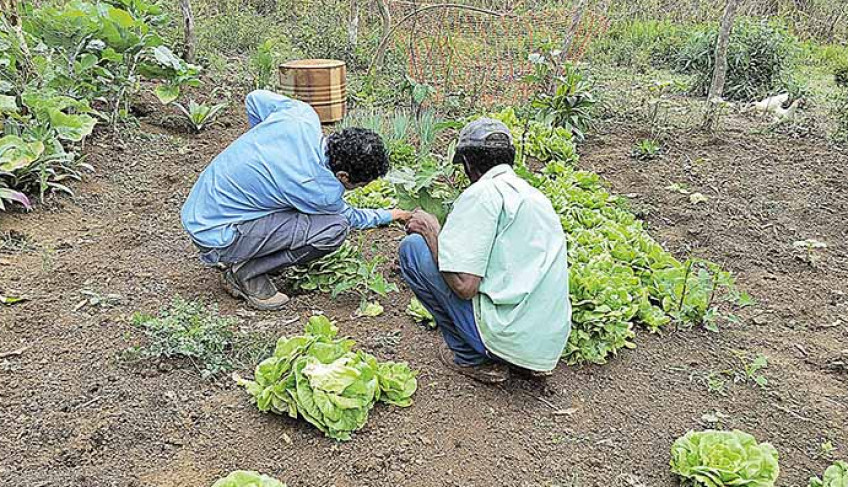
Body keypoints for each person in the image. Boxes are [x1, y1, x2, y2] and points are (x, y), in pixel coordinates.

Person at [181, 90, 410, 310]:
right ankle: (246, 273)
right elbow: (350, 218)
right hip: (218, 236)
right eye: (358, 185)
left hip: (199, 210)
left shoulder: (301, 115)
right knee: (334, 228)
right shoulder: (319, 190)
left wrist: (259, 142)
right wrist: (392, 214)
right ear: (343, 176)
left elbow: (254, 99)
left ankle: (247, 254)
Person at [399, 118, 571, 383]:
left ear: (468, 163)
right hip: (546, 347)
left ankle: (470, 357)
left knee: (413, 249)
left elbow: (464, 286)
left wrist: (432, 233)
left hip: (505, 338)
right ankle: (521, 361)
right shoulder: (536, 197)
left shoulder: (483, 193)